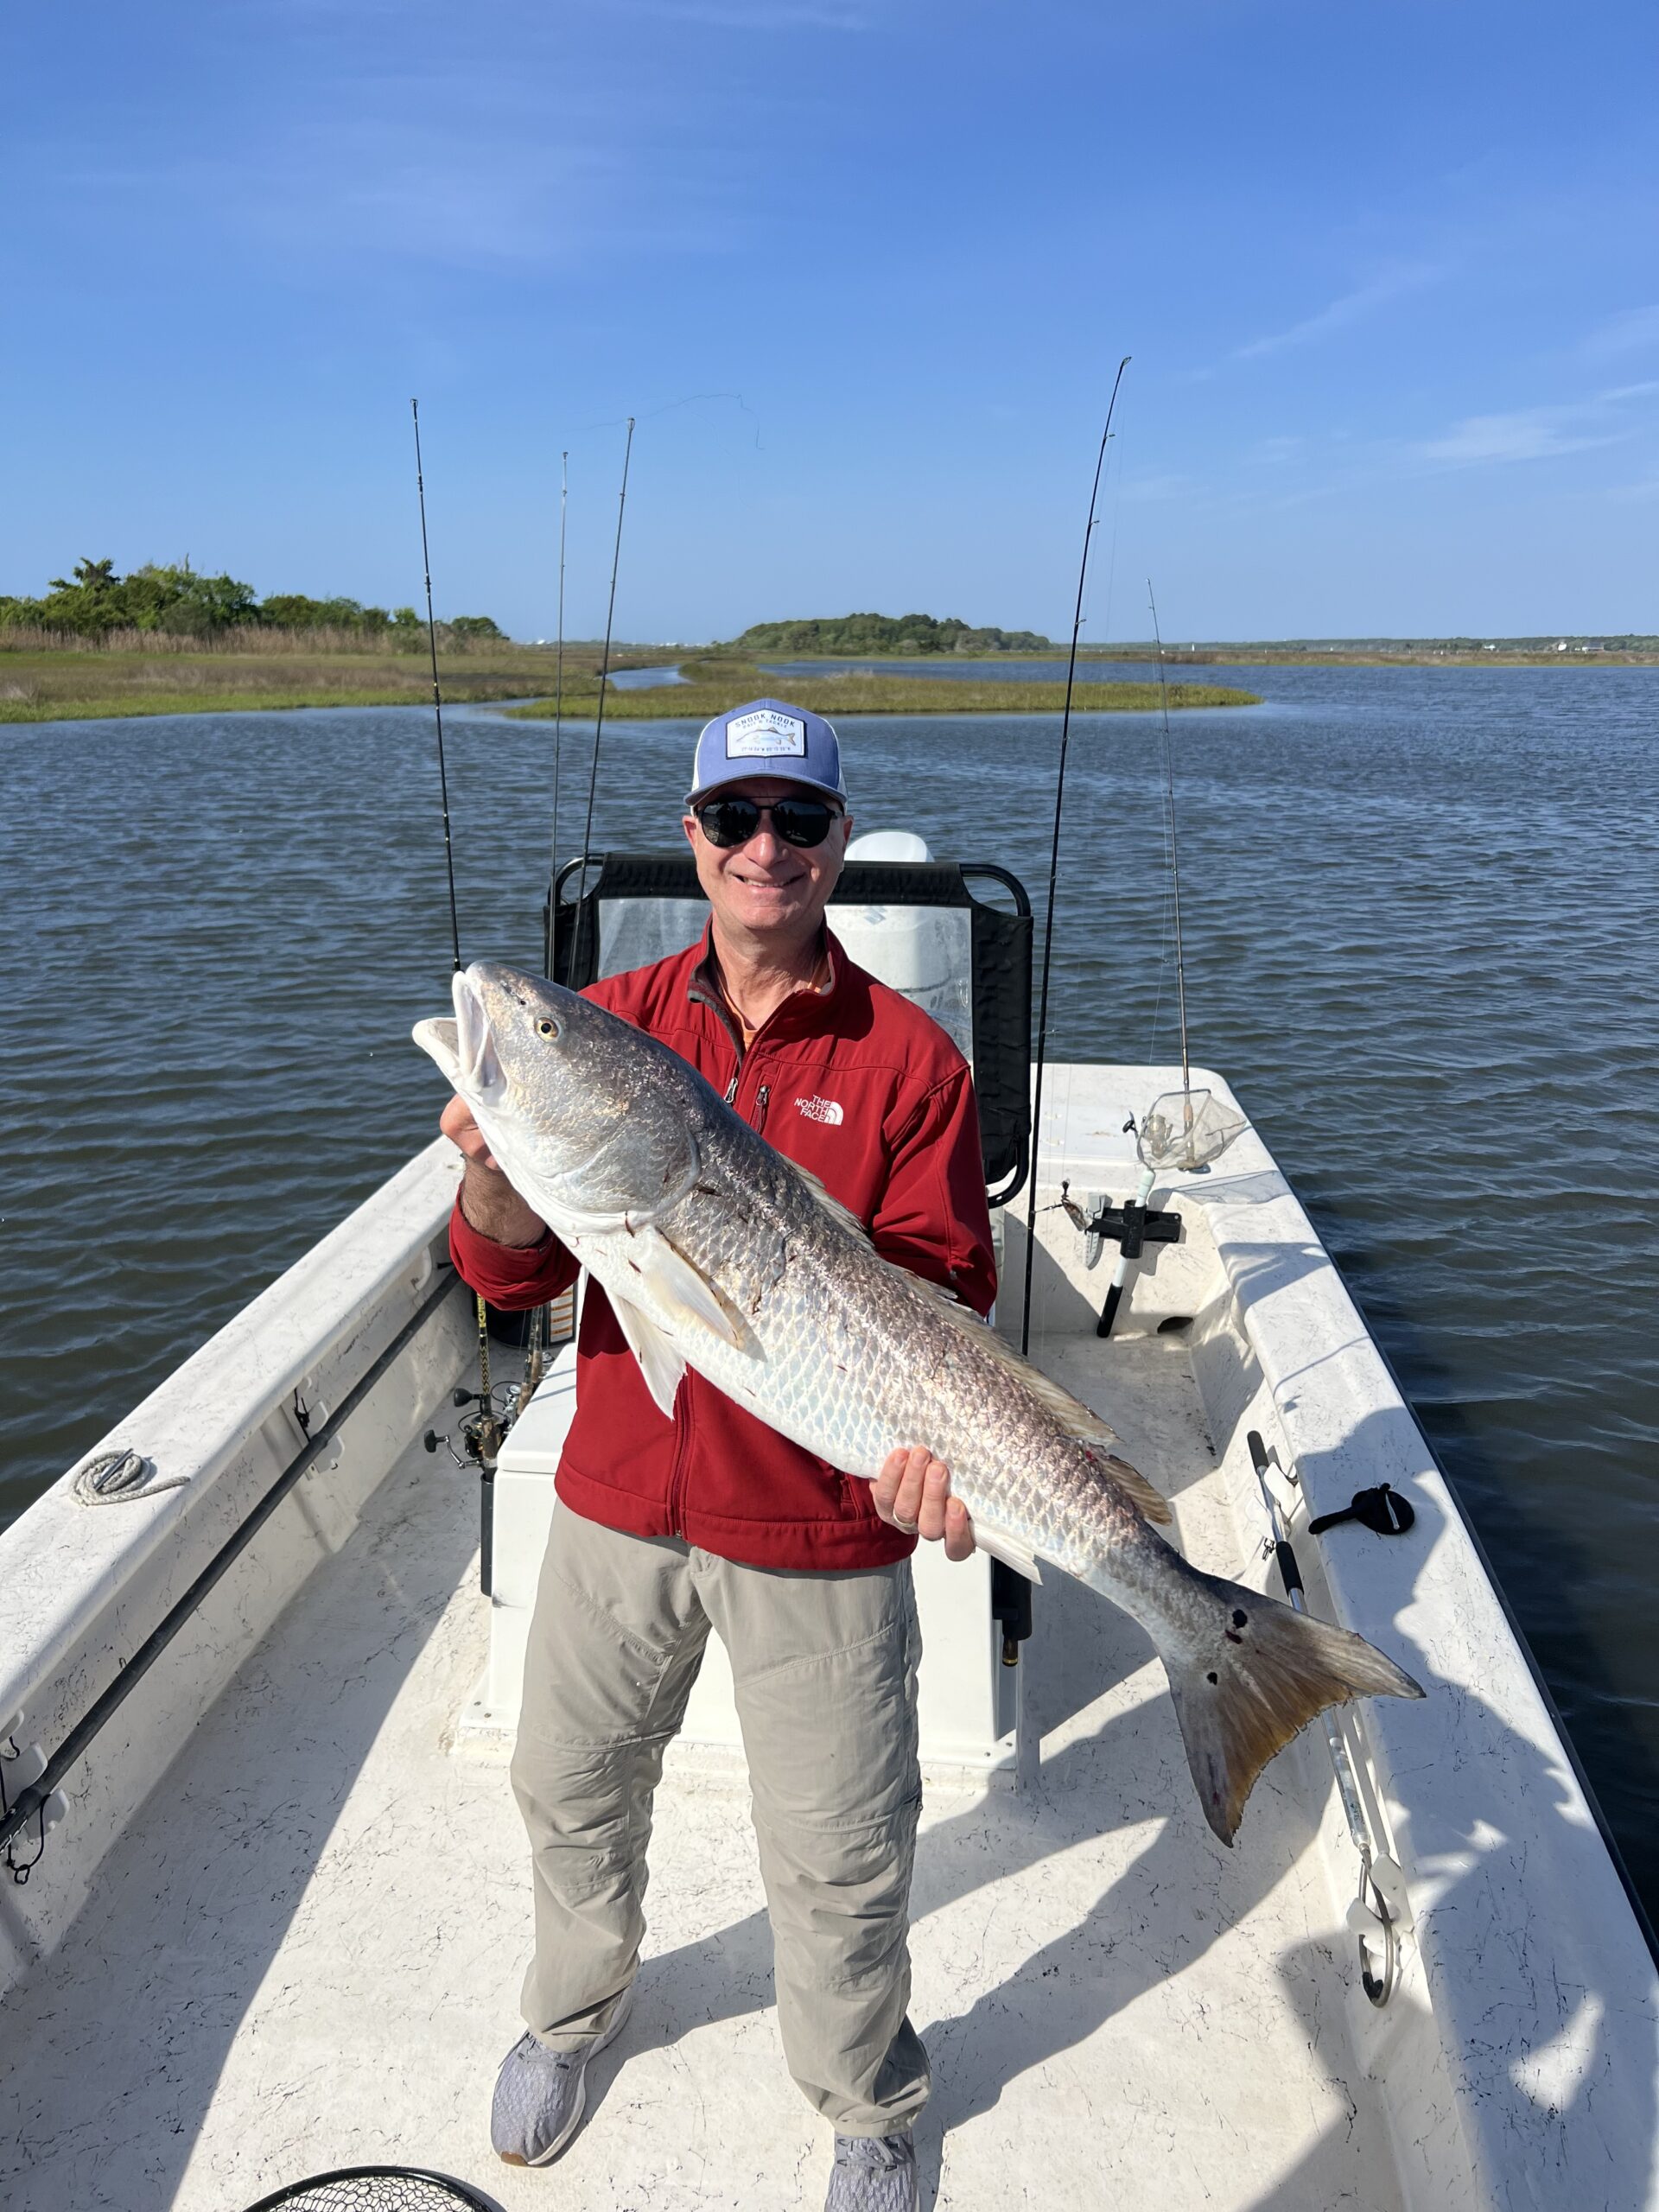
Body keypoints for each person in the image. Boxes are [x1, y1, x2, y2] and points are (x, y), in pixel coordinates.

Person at [442, 698, 995, 2210]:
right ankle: (574, 2013)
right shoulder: (612, 1022)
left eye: (800, 821)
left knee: (839, 1850)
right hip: (623, 1496)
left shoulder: (911, 1063)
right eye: (736, 818)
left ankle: (869, 2103)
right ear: (691, 837)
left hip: (823, 1523)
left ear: (835, 847)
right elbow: (508, 1284)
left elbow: (944, 1297)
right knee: (569, 1784)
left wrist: (938, 1457)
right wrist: (501, 1166)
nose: (767, 848)